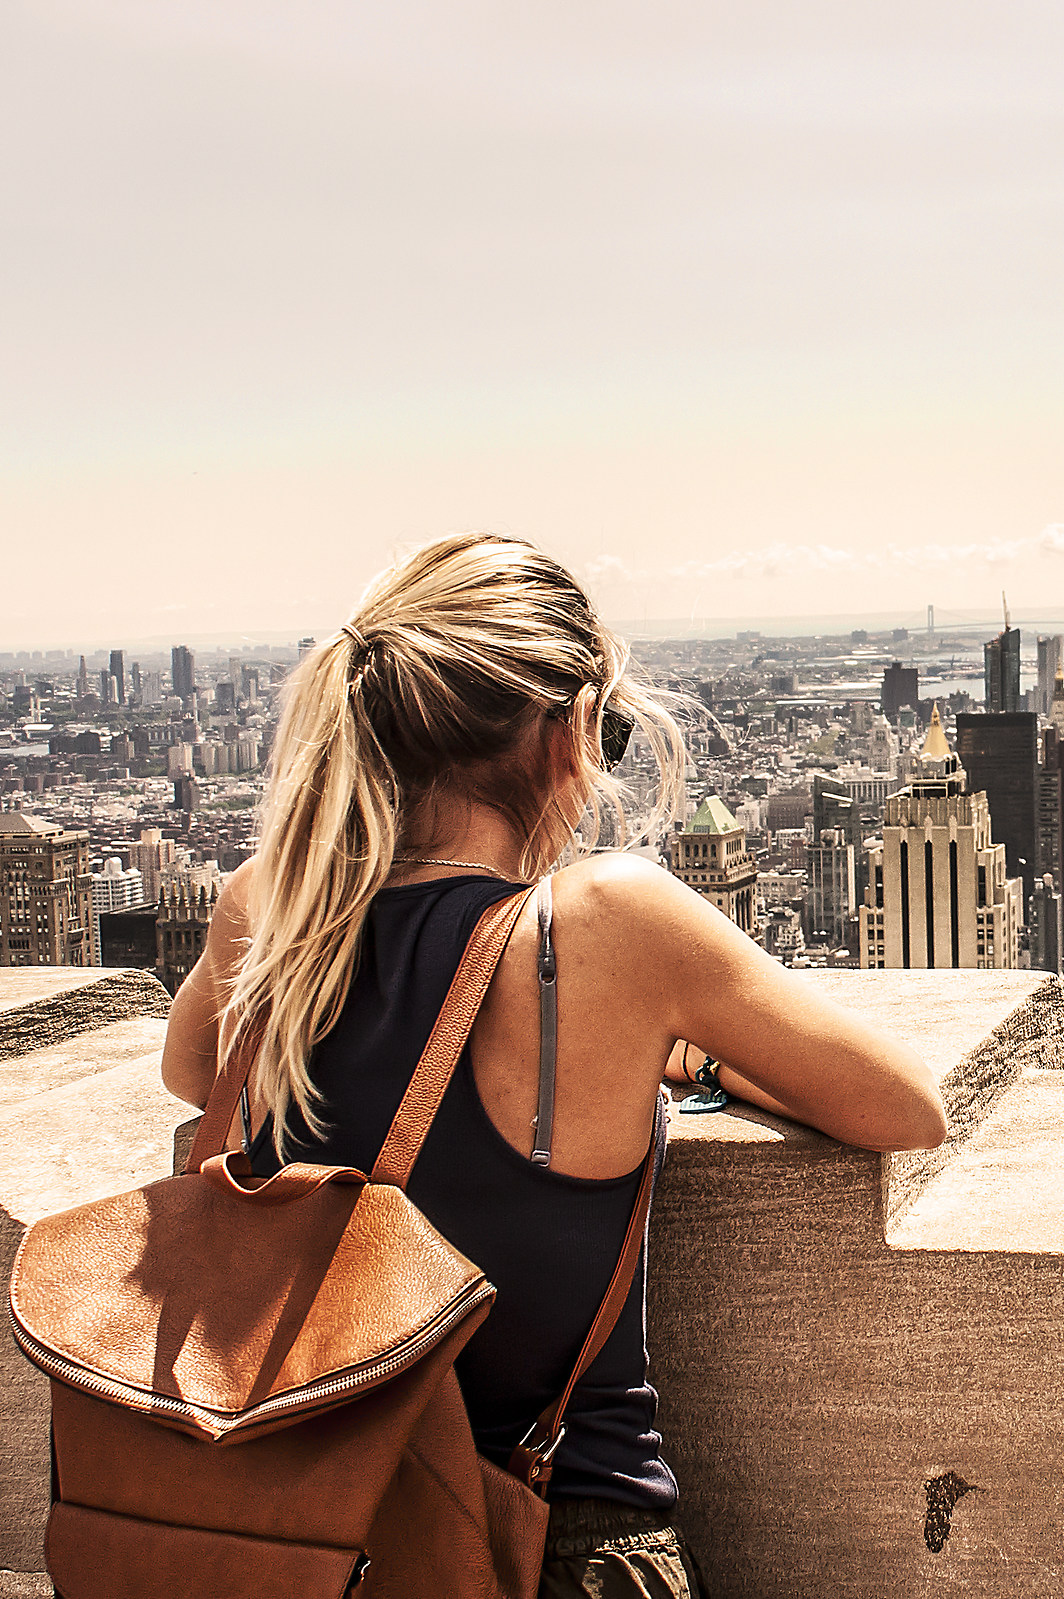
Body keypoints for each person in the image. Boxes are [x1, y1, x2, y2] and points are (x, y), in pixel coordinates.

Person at [158, 533, 944, 1598]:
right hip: (552, 1537)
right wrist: (672, 1044)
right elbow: (903, 1108)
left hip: (293, 1536)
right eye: (609, 732)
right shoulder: (605, 922)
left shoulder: (271, 901)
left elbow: (193, 1076)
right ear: (566, 729)